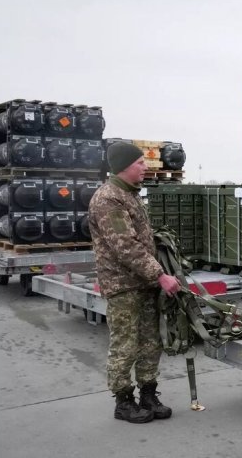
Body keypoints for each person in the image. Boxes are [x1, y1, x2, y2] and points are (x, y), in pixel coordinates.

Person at [89, 142, 181, 423]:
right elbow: (125, 246)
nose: (145, 167)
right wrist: (160, 274)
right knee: (125, 344)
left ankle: (149, 393)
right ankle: (124, 400)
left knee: (151, 342)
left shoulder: (130, 196)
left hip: (143, 284)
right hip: (124, 285)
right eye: (140, 162)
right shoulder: (109, 199)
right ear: (124, 166)